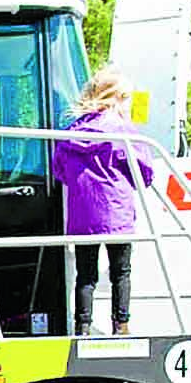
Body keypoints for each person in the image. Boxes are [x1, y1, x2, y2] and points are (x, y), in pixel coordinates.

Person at [53, 65, 155, 337]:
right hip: (116, 213)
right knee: (121, 272)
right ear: (119, 98)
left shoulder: (71, 132)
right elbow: (144, 171)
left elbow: (59, 170)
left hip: (82, 216)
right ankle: (121, 326)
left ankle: (82, 327)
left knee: (85, 275)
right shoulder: (122, 131)